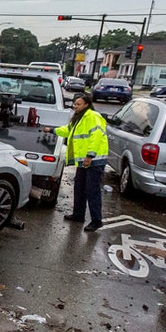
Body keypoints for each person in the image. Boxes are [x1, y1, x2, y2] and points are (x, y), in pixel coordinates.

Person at [45, 93, 109, 231]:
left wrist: (90, 155)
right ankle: (78, 214)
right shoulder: (79, 118)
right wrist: (52, 130)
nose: (75, 106)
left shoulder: (93, 117)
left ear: (86, 104)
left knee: (92, 191)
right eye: (75, 103)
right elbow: (68, 131)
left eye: (78, 104)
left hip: (94, 160)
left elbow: (96, 136)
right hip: (84, 161)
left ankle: (96, 220)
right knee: (79, 188)